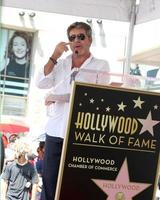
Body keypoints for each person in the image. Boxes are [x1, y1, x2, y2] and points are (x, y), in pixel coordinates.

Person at [35, 21, 110, 200]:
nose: (76, 40)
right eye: (72, 37)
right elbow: (41, 82)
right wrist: (54, 55)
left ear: (90, 39)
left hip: (80, 134)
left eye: (81, 36)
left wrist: (58, 97)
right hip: (55, 131)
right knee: (49, 182)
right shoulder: (60, 63)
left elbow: (97, 97)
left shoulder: (101, 65)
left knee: (76, 184)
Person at [0, 31, 32, 96]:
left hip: (22, 103)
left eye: (22, 44)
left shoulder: (31, 68)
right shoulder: (7, 63)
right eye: (15, 44)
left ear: (27, 48)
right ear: (12, 48)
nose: (19, 48)